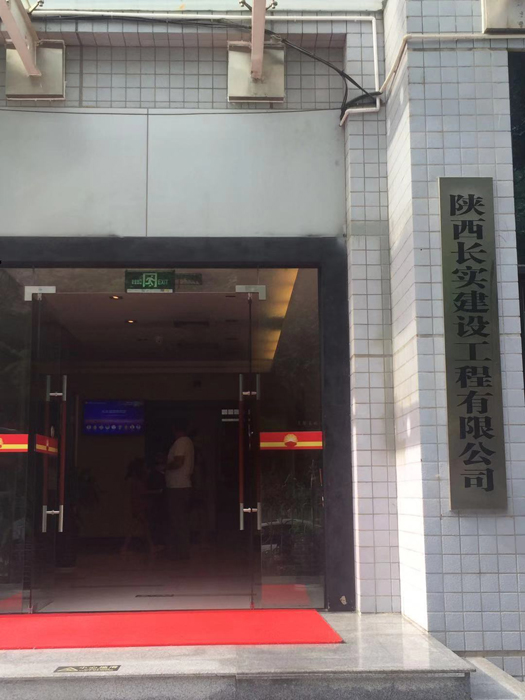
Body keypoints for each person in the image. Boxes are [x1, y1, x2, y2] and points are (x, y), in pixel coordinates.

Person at [165, 424, 194, 561]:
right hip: (183, 485)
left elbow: (178, 462)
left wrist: (165, 467)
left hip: (177, 487)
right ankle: (180, 551)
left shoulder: (181, 442)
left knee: (178, 520)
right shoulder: (188, 442)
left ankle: (181, 552)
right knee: (181, 520)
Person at [121, 458, 154, 558]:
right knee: (142, 527)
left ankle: (150, 546)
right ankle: (151, 547)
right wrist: (155, 492)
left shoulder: (134, 480)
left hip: (138, 506)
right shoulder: (137, 481)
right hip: (139, 506)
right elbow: (142, 493)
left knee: (140, 527)